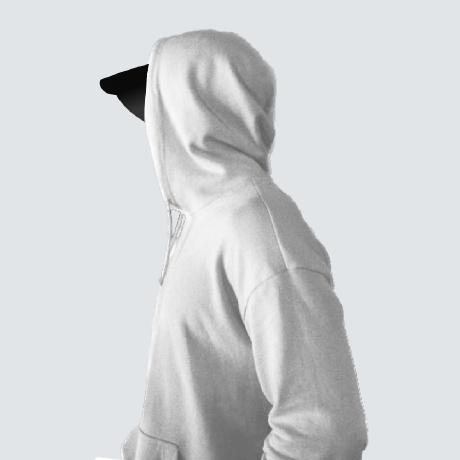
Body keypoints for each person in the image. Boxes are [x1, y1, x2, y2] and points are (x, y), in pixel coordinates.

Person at [100, 28, 368, 460]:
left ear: (193, 107)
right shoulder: (205, 220)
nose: (149, 118)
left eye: (159, 99)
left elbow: (325, 432)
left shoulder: (257, 230)